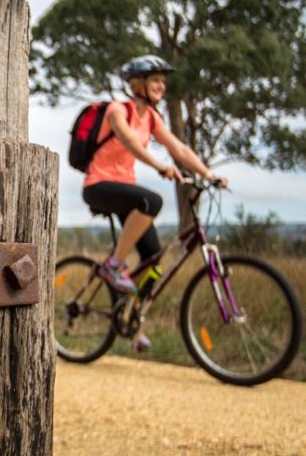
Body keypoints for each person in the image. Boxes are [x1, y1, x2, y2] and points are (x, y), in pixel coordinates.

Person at [82, 55, 228, 299]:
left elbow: (179, 149)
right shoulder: (117, 110)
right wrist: (160, 166)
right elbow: (128, 141)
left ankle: (131, 319)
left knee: (154, 261)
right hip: (99, 184)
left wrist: (208, 174)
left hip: (125, 189)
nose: (162, 85)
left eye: (163, 81)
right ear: (138, 83)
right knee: (153, 201)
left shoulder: (151, 118)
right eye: (156, 80)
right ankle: (114, 265)